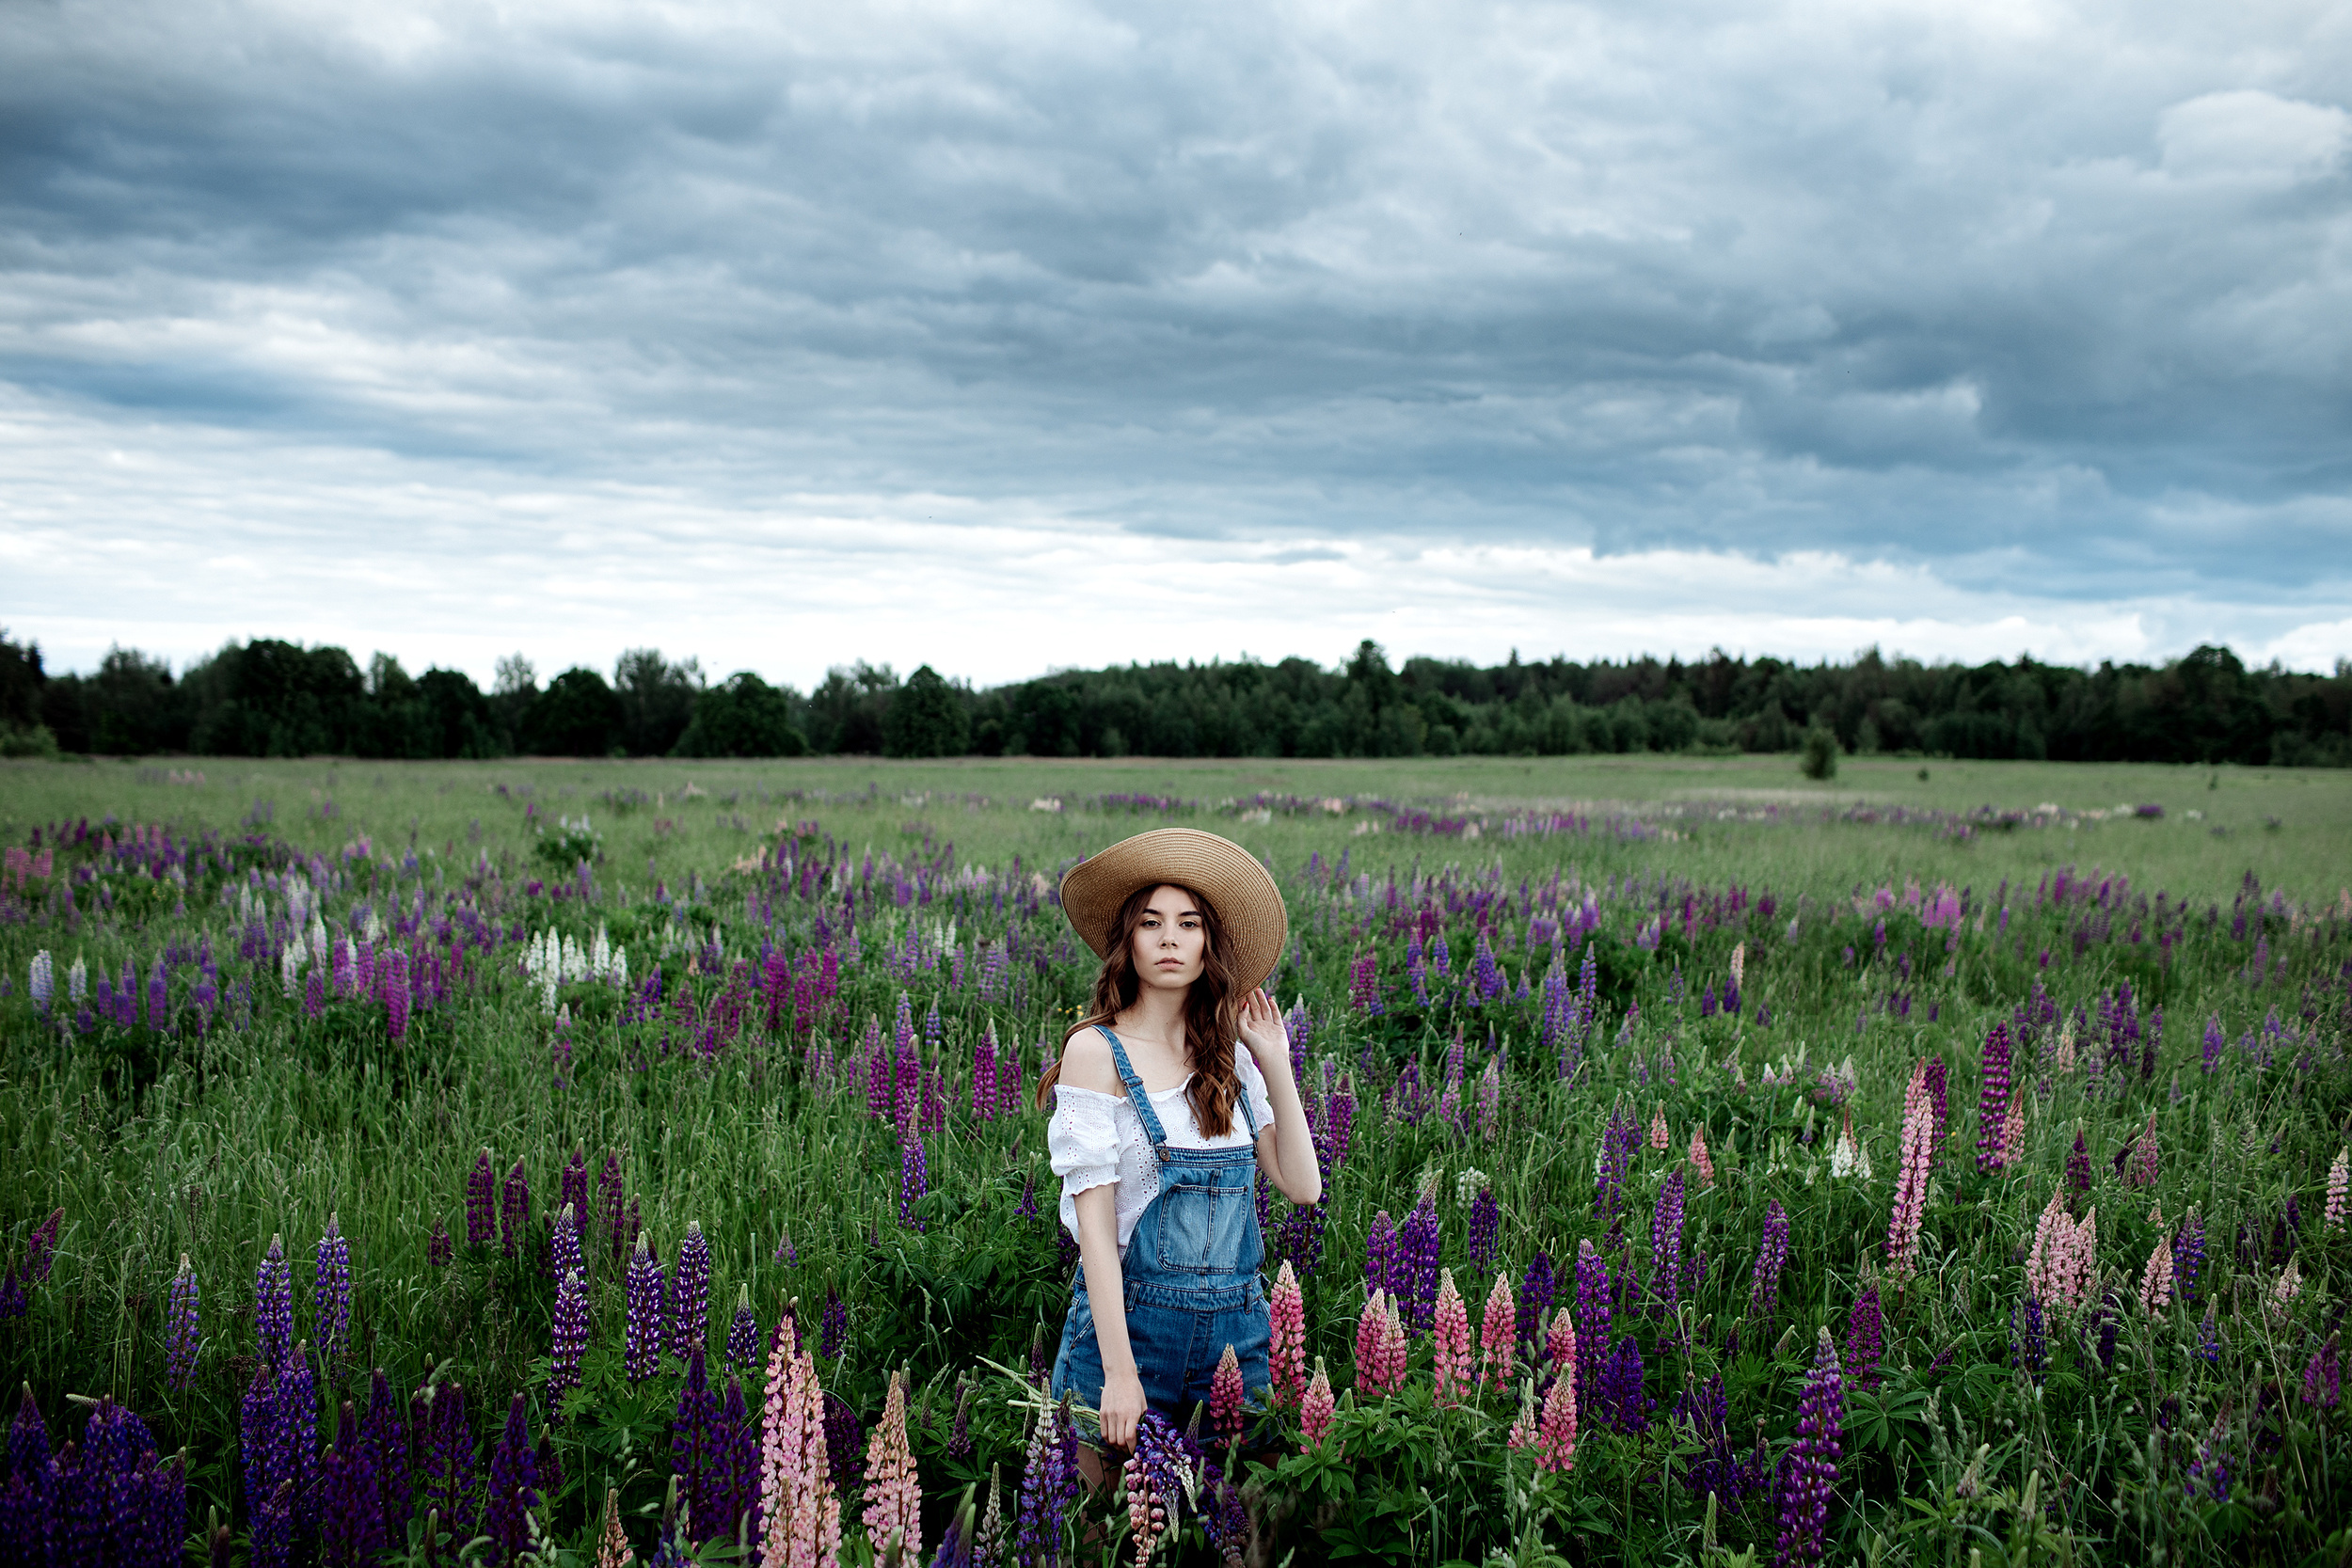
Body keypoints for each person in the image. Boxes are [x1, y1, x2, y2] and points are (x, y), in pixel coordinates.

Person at [1039, 827, 1324, 1460]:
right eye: (1151, 921)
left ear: (1207, 945)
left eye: (1189, 922)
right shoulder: (1095, 1051)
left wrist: (1274, 1059)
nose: (1170, 937)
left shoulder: (1231, 1059)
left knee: (1238, 1535)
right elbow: (1095, 1230)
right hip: (1127, 1332)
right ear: (1128, 941)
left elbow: (1305, 1187)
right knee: (1102, 1536)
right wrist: (1118, 1371)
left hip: (1238, 1340)